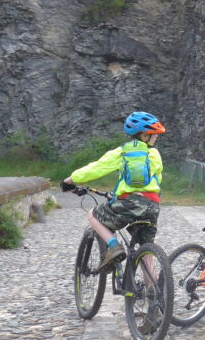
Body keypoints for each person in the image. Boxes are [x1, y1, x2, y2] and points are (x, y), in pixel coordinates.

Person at [61, 111, 166, 271]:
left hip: (129, 203)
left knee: (93, 214)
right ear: (145, 135)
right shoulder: (155, 154)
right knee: (146, 252)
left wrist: (70, 180)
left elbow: (96, 168)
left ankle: (114, 246)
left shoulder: (122, 152)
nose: (157, 137)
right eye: (154, 134)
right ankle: (153, 292)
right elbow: (153, 180)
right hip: (152, 206)